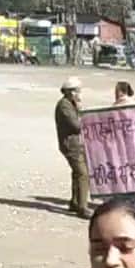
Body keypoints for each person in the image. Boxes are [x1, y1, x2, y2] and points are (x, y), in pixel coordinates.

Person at [54, 77, 89, 217]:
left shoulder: (70, 104)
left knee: (77, 173)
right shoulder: (64, 106)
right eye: (76, 91)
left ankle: (75, 202)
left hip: (75, 144)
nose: (78, 94)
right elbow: (76, 125)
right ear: (69, 92)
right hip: (70, 145)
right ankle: (82, 206)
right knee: (82, 173)